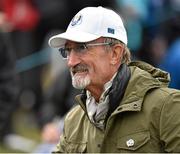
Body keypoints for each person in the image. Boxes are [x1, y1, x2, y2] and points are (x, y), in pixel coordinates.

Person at [48, 6, 180, 153]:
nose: (71, 62)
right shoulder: (73, 120)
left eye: (81, 47)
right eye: (67, 50)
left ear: (115, 54)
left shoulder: (167, 106)